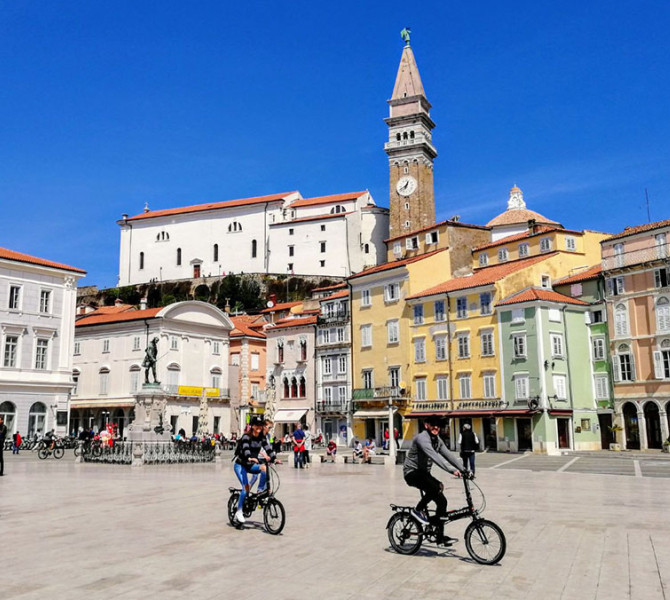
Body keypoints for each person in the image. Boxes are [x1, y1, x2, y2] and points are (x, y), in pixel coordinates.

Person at [404, 415, 464, 546]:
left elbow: (448, 455)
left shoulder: (437, 440)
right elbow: (435, 457)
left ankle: (439, 536)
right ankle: (417, 510)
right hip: (411, 473)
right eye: (433, 424)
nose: (436, 427)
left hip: (423, 473)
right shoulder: (422, 438)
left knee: (442, 501)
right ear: (426, 425)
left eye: (438, 425)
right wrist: (451, 470)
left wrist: (464, 469)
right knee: (435, 487)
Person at [232, 417, 280, 524]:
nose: (259, 427)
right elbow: (245, 448)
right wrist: (249, 457)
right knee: (246, 488)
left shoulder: (262, 438)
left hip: (251, 465)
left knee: (264, 468)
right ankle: (239, 511)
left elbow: (268, 449)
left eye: (260, 425)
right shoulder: (246, 436)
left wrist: (274, 458)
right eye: (257, 425)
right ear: (252, 426)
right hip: (241, 465)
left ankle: (260, 490)